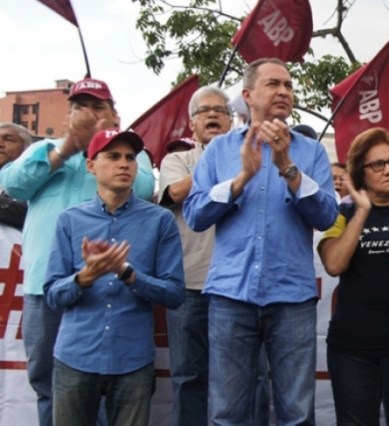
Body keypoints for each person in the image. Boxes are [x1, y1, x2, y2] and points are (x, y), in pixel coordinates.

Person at [183, 58, 338, 424]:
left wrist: (287, 167)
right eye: (273, 84)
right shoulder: (219, 151)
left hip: (291, 298)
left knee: (297, 413)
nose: (284, 91)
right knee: (226, 413)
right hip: (230, 296)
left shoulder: (311, 152)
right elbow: (195, 215)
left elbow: (328, 216)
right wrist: (241, 179)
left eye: (288, 85)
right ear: (248, 95)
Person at [0, 77, 155, 426]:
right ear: (68, 116)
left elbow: (144, 188)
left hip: (106, 289)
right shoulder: (46, 149)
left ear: (115, 115)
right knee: (46, 380)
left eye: (97, 107)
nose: (88, 114)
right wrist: (69, 146)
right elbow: (13, 184)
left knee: (102, 382)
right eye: (80, 108)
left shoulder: (130, 156)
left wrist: (102, 150)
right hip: (46, 287)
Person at [43, 128, 185, 426]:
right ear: (91, 165)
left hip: (132, 359)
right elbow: (53, 295)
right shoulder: (70, 220)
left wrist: (128, 274)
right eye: (113, 156)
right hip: (75, 357)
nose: (124, 164)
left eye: (131, 158)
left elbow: (174, 294)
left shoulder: (159, 220)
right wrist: (84, 277)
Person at [318, 127, 389, 425]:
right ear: (360, 172)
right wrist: (363, 211)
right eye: (377, 165)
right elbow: (334, 264)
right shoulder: (341, 213)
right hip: (352, 349)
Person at [157, 86, 232, 426]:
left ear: (232, 120)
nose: (213, 115)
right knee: (188, 376)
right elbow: (173, 193)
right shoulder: (178, 160)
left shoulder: (249, 157)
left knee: (243, 377)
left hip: (237, 287)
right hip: (190, 284)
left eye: (221, 110)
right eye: (205, 111)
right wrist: (215, 157)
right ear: (192, 123)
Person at [0, 123, 32, 230]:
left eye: (8, 139)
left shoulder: (32, 180)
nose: (1, 144)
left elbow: (27, 212)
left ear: (25, 149)